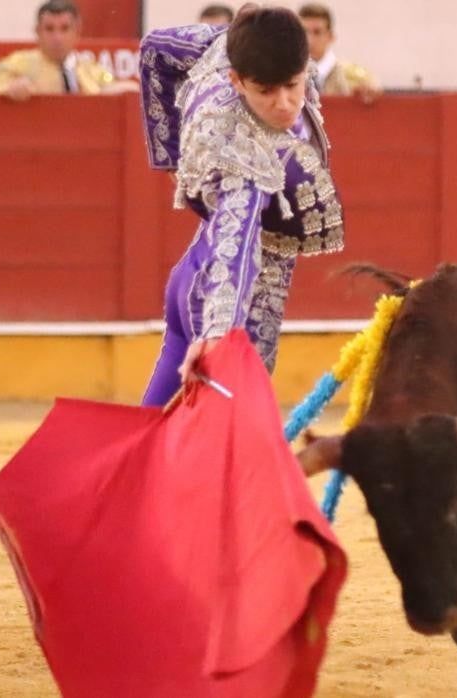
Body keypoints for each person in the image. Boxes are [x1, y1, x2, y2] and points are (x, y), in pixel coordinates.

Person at [137, 5, 345, 406]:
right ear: (237, 81)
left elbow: (154, 49)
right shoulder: (245, 156)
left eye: (292, 85)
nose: (284, 104)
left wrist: (169, 155)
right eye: (265, 91)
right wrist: (219, 335)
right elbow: (237, 241)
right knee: (228, 447)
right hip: (227, 302)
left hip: (192, 273)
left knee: (147, 439)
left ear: (306, 67)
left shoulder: (222, 46)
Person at [0, 0, 137, 101]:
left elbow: (114, 85)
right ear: (38, 32)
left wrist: (106, 92)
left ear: (77, 32)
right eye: (49, 29)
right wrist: (10, 90)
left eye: (64, 29)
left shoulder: (89, 68)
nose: (57, 37)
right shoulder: (17, 64)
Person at [297, 3, 380, 102]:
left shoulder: (356, 79)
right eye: (303, 32)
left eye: (317, 32)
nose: (309, 40)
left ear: (331, 37)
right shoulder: (287, 75)